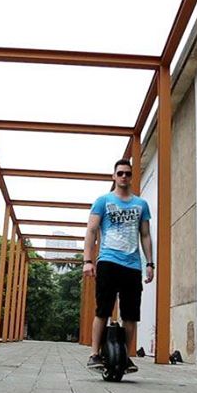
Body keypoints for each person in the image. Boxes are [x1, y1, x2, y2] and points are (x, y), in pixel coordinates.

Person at [83, 159, 154, 373]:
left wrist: (150, 263)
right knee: (103, 310)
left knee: (131, 315)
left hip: (132, 266)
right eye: (120, 173)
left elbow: (145, 235)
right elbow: (91, 231)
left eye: (127, 173)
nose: (124, 176)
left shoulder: (141, 204)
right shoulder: (103, 201)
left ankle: (126, 357)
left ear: (131, 177)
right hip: (108, 262)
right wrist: (87, 261)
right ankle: (94, 354)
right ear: (114, 176)